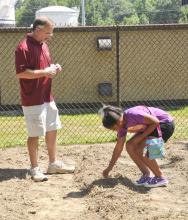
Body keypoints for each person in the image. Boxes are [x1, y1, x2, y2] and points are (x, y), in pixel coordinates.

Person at [15, 17, 75, 182]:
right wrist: (45, 72)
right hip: (32, 99)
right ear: (38, 29)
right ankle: (34, 169)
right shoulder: (23, 47)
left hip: (47, 96)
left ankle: (53, 164)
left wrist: (54, 68)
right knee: (35, 134)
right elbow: (21, 73)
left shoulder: (44, 45)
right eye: (48, 32)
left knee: (52, 128)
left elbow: (43, 68)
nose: (50, 36)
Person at [99, 105, 175, 188]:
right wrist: (109, 168)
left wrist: (142, 137)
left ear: (118, 122)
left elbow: (155, 122)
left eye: (114, 129)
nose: (116, 131)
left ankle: (160, 177)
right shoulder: (122, 127)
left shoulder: (133, 114)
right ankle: (146, 174)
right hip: (151, 127)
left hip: (164, 124)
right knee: (130, 145)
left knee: (146, 154)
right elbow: (118, 148)